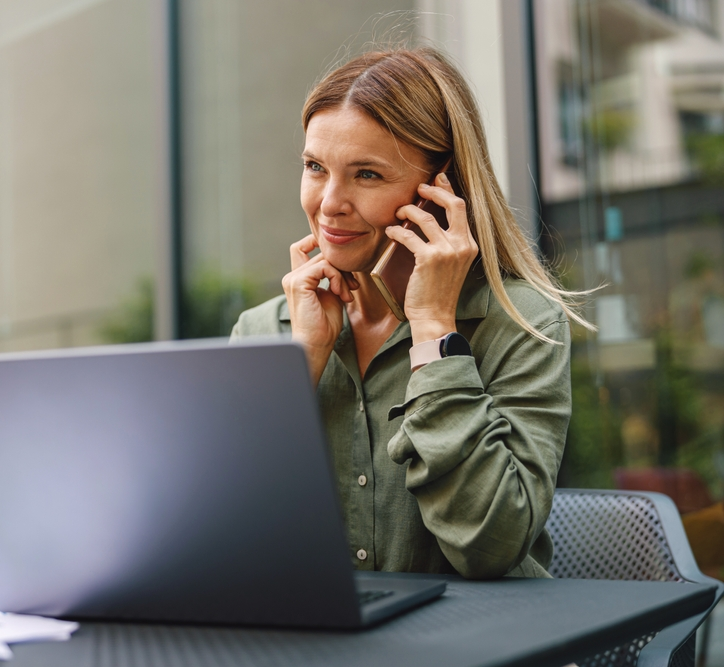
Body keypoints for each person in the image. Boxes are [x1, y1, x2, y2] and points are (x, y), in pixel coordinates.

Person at [231, 47, 592, 579]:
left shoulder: (520, 325)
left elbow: (490, 546)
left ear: (438, 190)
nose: (329, 203)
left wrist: (434, 336)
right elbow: (222, 531)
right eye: (315, 167)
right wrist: (300, 362)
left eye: (367, 175)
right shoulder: (264, 331)